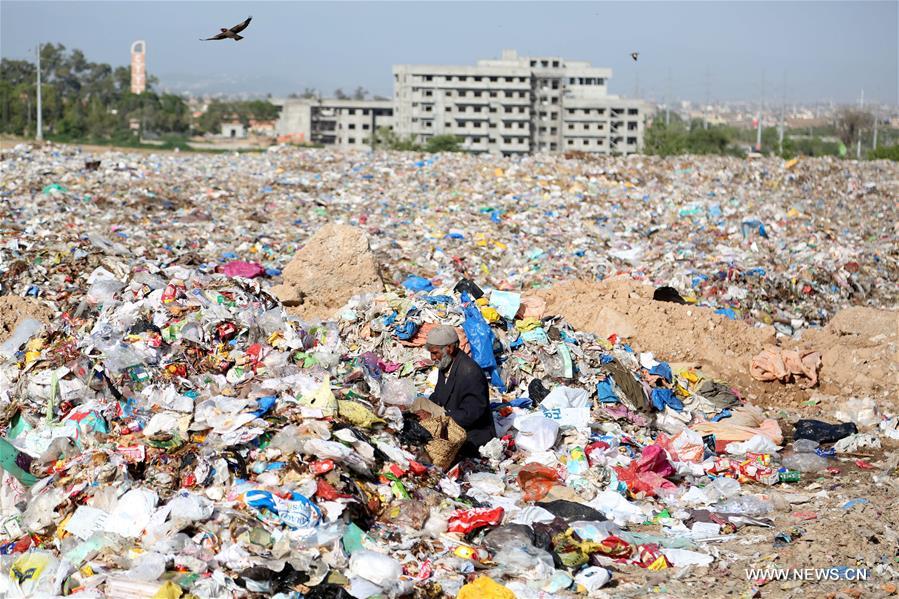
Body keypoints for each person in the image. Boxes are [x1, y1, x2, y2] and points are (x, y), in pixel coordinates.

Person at [426, 325, 496, 457]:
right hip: (450, 420)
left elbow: (472, 413)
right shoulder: (446, 364)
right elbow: (439, 395)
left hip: (471, 434)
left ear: (450, 348)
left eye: (435, 353)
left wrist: (441, 418)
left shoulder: (470, 372)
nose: (433, 358)